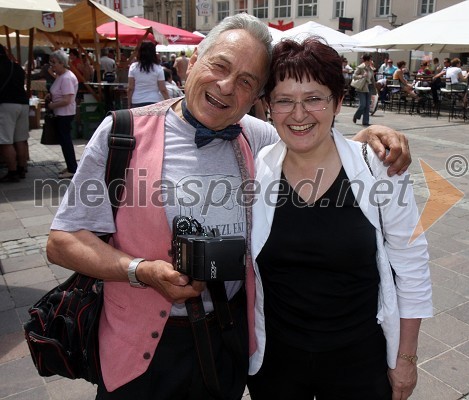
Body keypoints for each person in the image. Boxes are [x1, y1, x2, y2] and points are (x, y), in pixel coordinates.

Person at [46, 14, 411, 400]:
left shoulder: (257, 138)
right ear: (195, 57)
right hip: (143, 347)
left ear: (257, 99)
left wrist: (369, 138)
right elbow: (63, 241)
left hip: (227, 343)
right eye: (219, 65)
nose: (225, 87)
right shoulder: (123, 133)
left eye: (246, 82)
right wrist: (141, 270)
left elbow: (313, 137)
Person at [247, 37, 432, 400]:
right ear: (268, 107)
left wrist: (406, 359)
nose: (299, 114)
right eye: (284, 100)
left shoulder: (378, 167)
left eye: (314, 98)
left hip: (360, 361)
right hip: (276, 363)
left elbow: (412, 265)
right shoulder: (256, 168)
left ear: (338, 103)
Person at [45, 50, 79, 180]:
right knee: (64, 141)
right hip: (61, 113)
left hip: (65, 114)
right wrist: (51, 95)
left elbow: (67, 100)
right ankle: (70, 166)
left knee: (66, 141)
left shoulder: (67, 77)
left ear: (62, 63)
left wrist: (52, 106)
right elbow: (58, 92)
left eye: (54, 63)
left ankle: (72, 168)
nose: (52, 66)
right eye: (51, 63)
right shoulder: (60, 76)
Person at [0, 44, 29, 183]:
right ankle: (22, 168)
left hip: (6, 104)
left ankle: (12, 172)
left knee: (5, 140)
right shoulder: (16, 66)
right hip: (23, 103)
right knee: (20, 139)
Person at [127, 41, 169, 108]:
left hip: (137, 100)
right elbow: (163, 89)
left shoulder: (133, 67)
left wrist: (129, 103)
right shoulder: (158, 68)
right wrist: (168, 102)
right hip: (154, 100)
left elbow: (130, 88)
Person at [352, 54, 377, 126]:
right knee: (363, 104)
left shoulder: (371, 68)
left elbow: (372, 79)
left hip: (369, 87)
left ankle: (365, 122)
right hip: (362, 87)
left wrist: (374, 87)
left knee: (367, 105)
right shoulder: (360, 67)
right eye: (370, 60)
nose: (371, 61)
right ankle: (356, 116)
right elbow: (354, 76)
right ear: (367, 60)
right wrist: (362, 76)